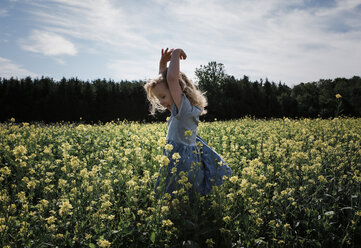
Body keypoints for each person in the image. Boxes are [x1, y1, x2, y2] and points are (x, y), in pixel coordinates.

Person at [144, 48, 232, 198]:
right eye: (159, 98)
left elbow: (171, 79)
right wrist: (163, 63)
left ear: (177, 88)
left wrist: (176, 53)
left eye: (163, 97)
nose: (161, 102)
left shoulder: (183, 108)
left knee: (177, 192)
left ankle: (183, 215)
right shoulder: (182, 108)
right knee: (183, 193)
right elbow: (166, 80)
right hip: (185, 156)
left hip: (181, 159)